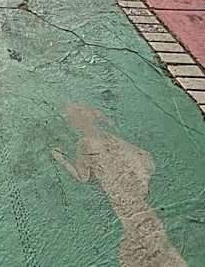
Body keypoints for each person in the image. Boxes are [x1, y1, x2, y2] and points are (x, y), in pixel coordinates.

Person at [52, 103, 187, 266]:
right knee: (149, 231)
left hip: (117, 195)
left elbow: (83, 177)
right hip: (132, 191)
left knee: (137, 238)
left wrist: (62, 160)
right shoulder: (108, 136)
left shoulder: (83, 144)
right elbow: (143, 156)